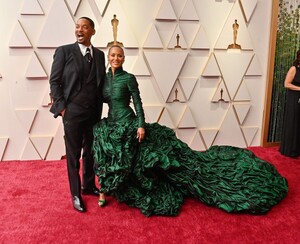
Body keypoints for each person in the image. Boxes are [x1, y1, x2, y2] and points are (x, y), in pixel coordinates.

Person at [92, 45, 288, 216]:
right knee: (104, 149)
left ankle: (114, 189)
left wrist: (141, 124)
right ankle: (104, 191)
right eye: (113, 55)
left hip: (129, 124)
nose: (116, 58)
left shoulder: (129, 78)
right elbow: (101, 100)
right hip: (111, 124)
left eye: (119, 56)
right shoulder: (104, 79)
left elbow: (138, 103)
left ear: (124, 58)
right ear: (108, 58)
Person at [49, 17, 106, 213]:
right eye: (77, 26)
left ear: (92, 31)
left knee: (90, 152)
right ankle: (75, 194)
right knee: (73, 156)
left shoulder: (99, 55)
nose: (79, 30)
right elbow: (54, 82)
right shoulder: (64, 51)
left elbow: (101, 84)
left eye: (84, 27)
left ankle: (88, 185)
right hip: (72, 113)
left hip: (93, 113)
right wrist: (63, 108)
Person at [279, 50, 300, 158]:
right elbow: (286, 84)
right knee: (294, 122)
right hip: (295, 99)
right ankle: (290, 150)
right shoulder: (294, 68)